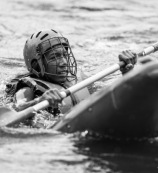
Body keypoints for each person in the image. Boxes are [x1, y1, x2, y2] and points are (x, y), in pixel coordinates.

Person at [5, 29, 137, 128]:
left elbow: (109, 98)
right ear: (36, 65)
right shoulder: (27, 88)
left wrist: (127, 75)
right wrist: (40, 100)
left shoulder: (80, 80)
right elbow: (15, 111)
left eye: (64, 55)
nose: (64, 62)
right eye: (54, 57)